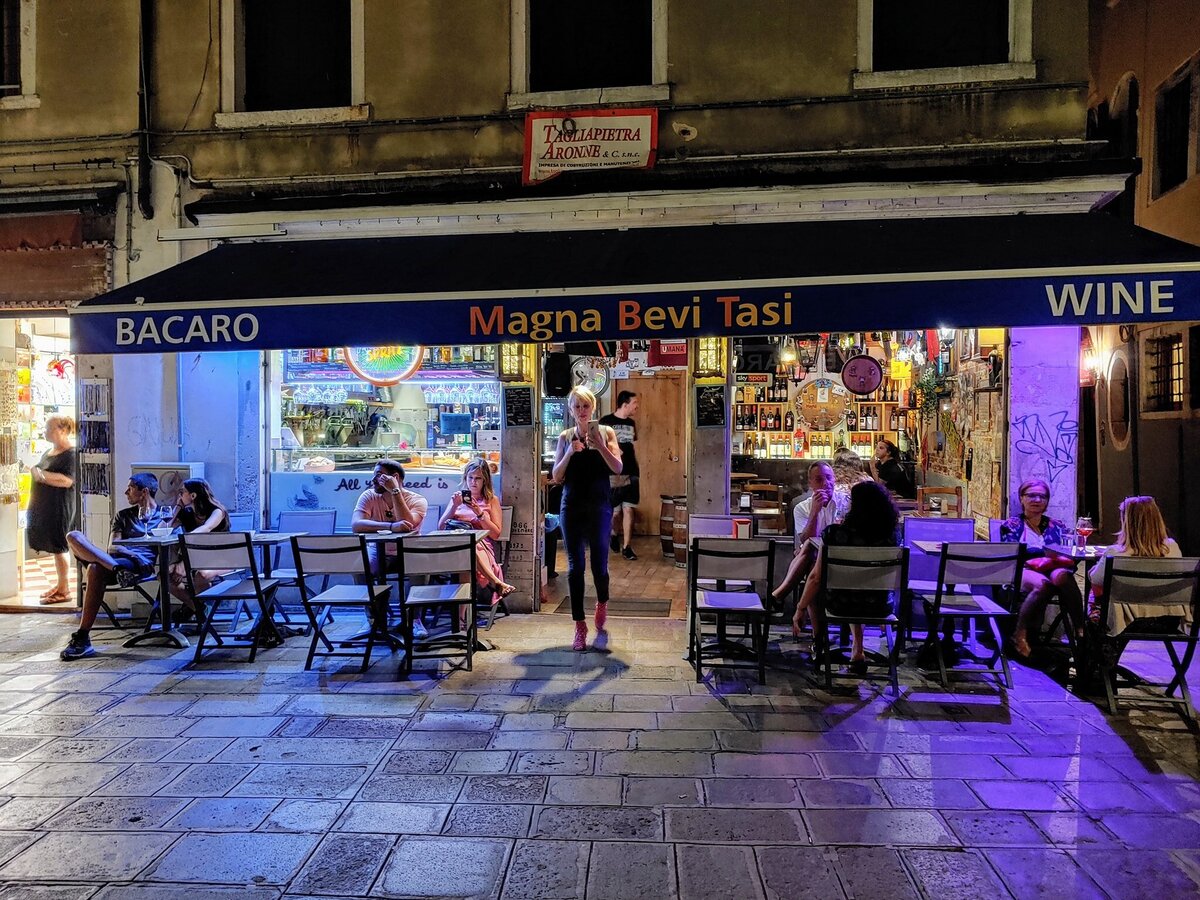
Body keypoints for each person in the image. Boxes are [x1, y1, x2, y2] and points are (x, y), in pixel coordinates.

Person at [791, 480, 901, 673]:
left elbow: (816, 577)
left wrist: (799, 609)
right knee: (858, 585)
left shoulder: (835, 534)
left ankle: (819, 642)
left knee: (819, 588)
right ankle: (857, 648)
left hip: (841, 604)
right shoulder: (893, 537)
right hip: (881, 606)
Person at [59, 474, 170, 660]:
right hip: (116, 563)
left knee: (94, 569)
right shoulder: (124, 515)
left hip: (138, 566)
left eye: (131, 487)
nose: (126, 492)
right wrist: (130, 555)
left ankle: (83, 637)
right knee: (73, 536)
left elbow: (170, 540)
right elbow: (113, 546)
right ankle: (117, 571)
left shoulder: (164, 515)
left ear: (144, 492)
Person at [552, 386, 623, 651]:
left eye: (586, 406)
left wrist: (600, 447)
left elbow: (618, 468)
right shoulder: (564, 437)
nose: (582, 411)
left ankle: (602, 601)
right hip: (571, 507)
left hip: (599, 507)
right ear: (570, 410)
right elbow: (557, 477)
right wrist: (571, 452)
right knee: (575, 567)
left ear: (593, 408)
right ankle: (579, 625)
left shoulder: (606, 433)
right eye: (577, 407)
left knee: (599, 566)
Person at [998, 478, 1084, 660]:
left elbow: (1067, 552)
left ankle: (1080, 630)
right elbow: (1012, 554)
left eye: (1042, 496)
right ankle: (1019, 633)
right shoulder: (1012, 525)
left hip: (1051, 568)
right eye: (1031, 495)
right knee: (1043, 585)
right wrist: (1044, 554)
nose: (1037, 500)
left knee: (1064, 576)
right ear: (1022, 498)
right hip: (1023, 569)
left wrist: (1053, 557)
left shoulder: (1056, 526)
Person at [771, 461, 848, 610]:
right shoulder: (802, 507)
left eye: (829, 478)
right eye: (819, 479)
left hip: (838, 558)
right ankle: (818, 632)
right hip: (816, 559)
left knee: (808, 551)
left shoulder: (845, 503)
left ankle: (780, 594)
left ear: (834, 479)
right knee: (812, 558)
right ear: (810, 483)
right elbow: (806, 538)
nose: (826, 483)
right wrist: (815, 512)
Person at [439, 457, 516, 599]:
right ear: (465, 478)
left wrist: (479, 512)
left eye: (478, 478)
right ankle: (497, 582)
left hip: (481, 547)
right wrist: (455, 506)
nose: (473, 482)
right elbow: (441, 526)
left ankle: (462, 619)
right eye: (470, 477)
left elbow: (496, 534)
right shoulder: (457, 498)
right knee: (465, 551)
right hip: (454, 547)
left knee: (467, 555)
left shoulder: (491, 500)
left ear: (485, 480)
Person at [27, 415, 77, 604]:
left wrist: (42, 476)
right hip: (45, 506)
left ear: (62, 430)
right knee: (55, 548)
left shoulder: (71, 454)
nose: (46, 431)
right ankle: (60, 584)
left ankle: (64, 590)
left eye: (50, 428)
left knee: (59, 546)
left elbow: (67, 480)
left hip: (60, 507)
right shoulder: (49, 451)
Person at [167, 478, 231, 620]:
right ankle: (198, 609)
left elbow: (205, 529)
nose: (179, 496)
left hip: (221, 558)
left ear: (193, 495)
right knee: (166, 576)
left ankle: (193, 610)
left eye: (182, 492)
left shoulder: (217, 511)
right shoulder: (186, 514)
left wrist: (184, 558)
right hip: (196, 558)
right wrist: (177, 508)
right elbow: (163, 529)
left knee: (200, 576)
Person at [600, 390, 639, 560]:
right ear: (625, 404)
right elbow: (598, 446)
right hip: (612, 473)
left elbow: (632, 446)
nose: (637, 406)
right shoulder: (605, 422)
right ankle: (614, 534)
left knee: (629, 509)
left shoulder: (631, 423)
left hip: (632, 472)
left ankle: (627, 547)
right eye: (634, 403)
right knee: (615, 512)